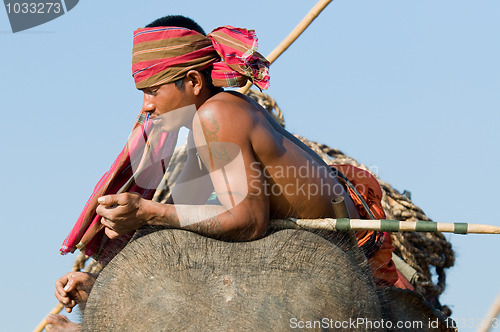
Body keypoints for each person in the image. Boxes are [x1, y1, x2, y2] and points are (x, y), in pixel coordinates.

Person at [48, 15, 406, 331]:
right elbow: (194, 233)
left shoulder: (215, 116)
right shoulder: (208, 124)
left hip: (327, 252)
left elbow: (247, 220)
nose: (147, 105)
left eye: (153, 90)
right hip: (299, 250)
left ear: (192, 81)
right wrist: (103, 289)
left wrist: (148, 211)